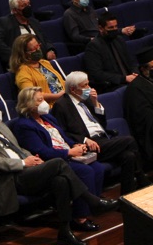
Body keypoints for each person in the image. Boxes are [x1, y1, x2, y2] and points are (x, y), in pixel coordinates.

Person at [0, 94, 118, 245]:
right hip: (9, 178)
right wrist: (23, 162)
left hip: (27, 171)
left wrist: (31, 157)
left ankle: (65, 231)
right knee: (58, 163)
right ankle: (92, 200)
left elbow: (18, 148)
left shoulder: (0, 126)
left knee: (60, 180)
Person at [13, 87, 109, 233]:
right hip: (54, 160)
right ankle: (80, 218)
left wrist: (74, 145)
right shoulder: (24, 125)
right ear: (29, 104)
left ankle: (93, 206)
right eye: (40, 100)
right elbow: (41, 151)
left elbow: (63, 137)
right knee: (86, 171)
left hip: (68, 154)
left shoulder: (47, 118)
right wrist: (68, 152)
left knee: (98, 168)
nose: (44, 103)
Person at [53, 71, 150, 194]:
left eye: (88, 84)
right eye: (85, 85)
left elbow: (102, 125)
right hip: (88, 144)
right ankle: (141, 178)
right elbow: (62, 133)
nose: (89, 88)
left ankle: (127, 195)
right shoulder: (61, 105)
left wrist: (96, 103)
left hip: (103, 139)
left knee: (129, 156)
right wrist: (84, 140)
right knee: (129, 140)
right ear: (73, 89)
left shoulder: (87, 100)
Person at [0, 0, 55, 67]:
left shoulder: (34, 21)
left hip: (43, 61)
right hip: (23, 64)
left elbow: (45, 39)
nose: (28, 7)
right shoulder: (5, 23)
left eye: (28, 4)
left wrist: (50, 50)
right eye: (23, 6)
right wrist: (15, 57)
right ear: (15, 10)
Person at [83, 13, 137, 93]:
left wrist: (135, 73)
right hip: (113, 85)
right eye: (111, 27)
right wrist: (124, 78)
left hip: (130, 80)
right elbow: (96, 73)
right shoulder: (93, 46)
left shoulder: (119, 40)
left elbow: (131, 61)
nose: (114, 29)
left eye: (116, 26)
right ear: (101, 28)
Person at [10, 34, 65, 108]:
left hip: (64, 100)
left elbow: (59, 81)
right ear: (24, 54)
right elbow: (32, 95)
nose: (38, 50)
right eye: (34, 49)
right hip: (50, 107)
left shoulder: (44, 62)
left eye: (38, 46)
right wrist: (57, 96)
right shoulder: (22, 72)